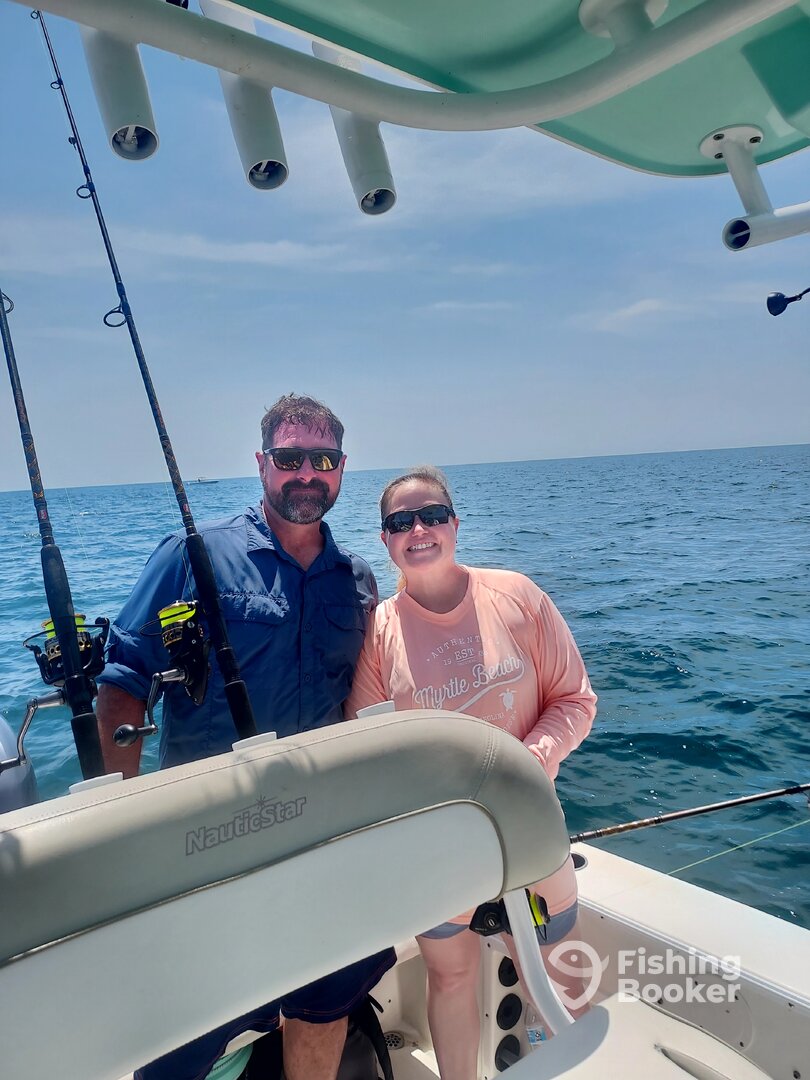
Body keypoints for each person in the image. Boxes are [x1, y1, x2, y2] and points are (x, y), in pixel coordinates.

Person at [95, 394, 396, 1080]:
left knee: (324, 1001)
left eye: (323, 460)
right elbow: (123, 682)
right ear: (262, 464)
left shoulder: (356, 580)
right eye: (290, 458)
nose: (306, 474)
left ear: (342, 468)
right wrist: (120, 824)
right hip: (207, 842)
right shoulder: (193, 554)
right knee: (182, 1035)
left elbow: (368, 700)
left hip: (319, 833)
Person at [345, 465, 597, 1080]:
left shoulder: (517, 595)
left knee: (554, 974)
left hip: (528, 833)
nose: (419, 530)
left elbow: (575, 700)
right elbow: (367, 747)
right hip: (440, 852)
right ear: (385, 539)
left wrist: (528, 761)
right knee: (451, 976)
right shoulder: (379, 631)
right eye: (401, 522)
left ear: (455, 524)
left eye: (432, 515)